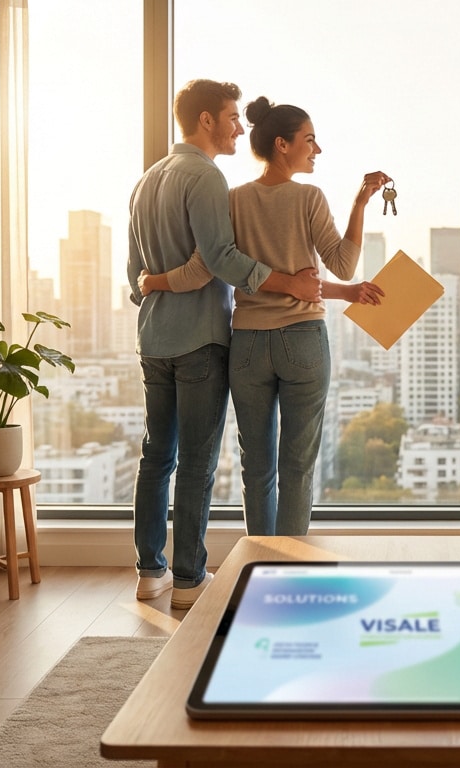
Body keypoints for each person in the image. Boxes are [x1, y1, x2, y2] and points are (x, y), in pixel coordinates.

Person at [139, 96, 389, 536]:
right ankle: (288, 570)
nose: (317, 149)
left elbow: (216, 266)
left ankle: (259, 563)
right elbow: (342, 264)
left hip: (248, 345)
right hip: (303, 341)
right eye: (309, 140)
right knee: (297, 466)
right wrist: (360, 203)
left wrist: (153, 282)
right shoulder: (309, 197)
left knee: (256, 470)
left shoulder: (231, 199)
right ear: (282, 144)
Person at [127, 79, 322, 610]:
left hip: (153, 339)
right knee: (196, 461)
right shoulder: (206, 177)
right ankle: (189, 578)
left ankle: (150, 571)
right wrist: (291, 284)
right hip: (199, 339)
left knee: (154, 457)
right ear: (207, 121)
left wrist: (154, 287)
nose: (241, 127)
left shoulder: (145, 182)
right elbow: (219, 262)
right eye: (233, 117)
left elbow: (133, 276)